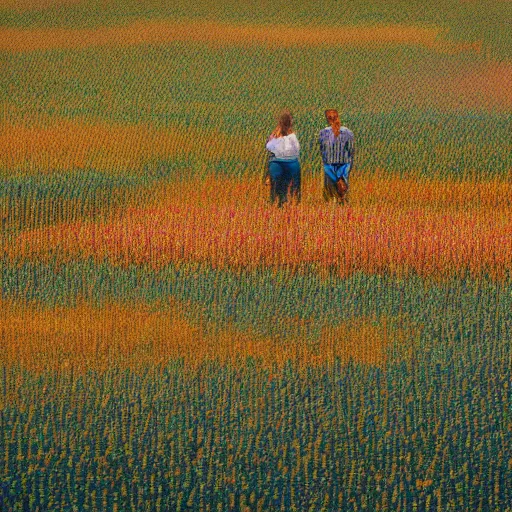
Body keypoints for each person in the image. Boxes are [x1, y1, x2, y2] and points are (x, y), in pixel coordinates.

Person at [265, 110, 301, 207]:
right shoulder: (291, 136)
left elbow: (269, 147)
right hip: (288, 161)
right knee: (291, 178)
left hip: (278, 160)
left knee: (275, 176)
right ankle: (287, 197)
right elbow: (297, 149)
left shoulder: (275, 135)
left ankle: (278, 197)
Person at [318, 109, 355, 204]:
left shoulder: (323, 133)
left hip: (329, 165)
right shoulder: (348, 132)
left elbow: (322, 150)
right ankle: (342, 197)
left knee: (330, 193)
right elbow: (351, 151)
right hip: (344, 164)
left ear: (327, 119)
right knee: (343, 191)